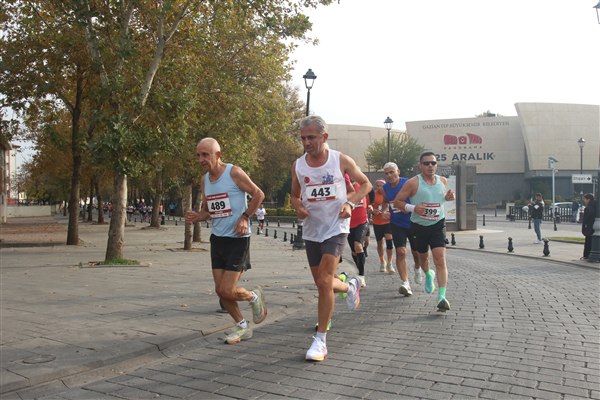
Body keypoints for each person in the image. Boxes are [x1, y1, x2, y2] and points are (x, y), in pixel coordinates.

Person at [291, 115, 371, 362]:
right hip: (312, 229)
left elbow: (365, 185)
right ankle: (349, 286)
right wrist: (298, 207)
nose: (306, 142)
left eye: (311, 137)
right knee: (322, 283)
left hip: (336, 227)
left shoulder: (340, 160)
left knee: (325, 281)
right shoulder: (298, 165)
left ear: (324, 137)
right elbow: (294, 195)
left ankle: (320, 340)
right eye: (303, 138)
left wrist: (349, 203)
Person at [185, 137, 267, 344]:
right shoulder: (205, 180)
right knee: (220, 291)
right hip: (218, 239)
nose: (201, 159)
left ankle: (253, 297)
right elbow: (209, 211)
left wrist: (245, 217)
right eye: (198, 155)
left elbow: (259, 194)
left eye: (205, 155)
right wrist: (198, 216)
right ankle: (242, 326)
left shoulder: (233, 173)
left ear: (218, 155)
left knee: (227, 290)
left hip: (238, 239)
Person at [393, 152, 455, 312]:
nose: (430, 166)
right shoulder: (413, 183)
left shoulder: (442, 181)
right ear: (420, 166)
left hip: (438, 224)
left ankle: (442, 297)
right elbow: (397, 202)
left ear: (436, 165)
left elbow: (441, 199)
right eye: (426, 163)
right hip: (419, 226)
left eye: (433, 163)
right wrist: (413, 208)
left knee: (440, 259)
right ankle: (428, 274)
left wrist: (448, 198)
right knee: (423, 258)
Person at [381, 162, 419, 296]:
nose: (389, 175)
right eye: (386, 173)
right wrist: (384, 211)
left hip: (413, 222)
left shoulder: (408, 183)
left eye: (392, 172)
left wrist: (407, 207)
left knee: (417, 253)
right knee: (401, 252)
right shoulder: (385, 188)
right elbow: (385, 201)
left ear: (398, 171)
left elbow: (418, 199)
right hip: (396, 223)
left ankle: (417, 267)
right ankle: (405, 283)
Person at [347, 176, 369, 287]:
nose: (351, 177)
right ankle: (358, 268)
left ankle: (361, 276)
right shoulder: (343, 188)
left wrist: (370, 204)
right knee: (354, 251)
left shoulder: (362, 185)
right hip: (348, 224)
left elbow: (371, 191)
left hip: (362, 222)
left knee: (358, 246)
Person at [369, 179, 393, 273]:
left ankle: (390, 263)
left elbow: (394, 206)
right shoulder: (373, 195)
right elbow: (368, 207)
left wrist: (391, 214)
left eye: (381, 186)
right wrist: (372, 211)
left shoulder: (389, 194)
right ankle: (382, 261)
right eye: (377, 186)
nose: (379, 187)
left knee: (389, 241)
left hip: (387, 222)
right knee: (380, 243)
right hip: (377, 222)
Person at [581, 193, 596, 260]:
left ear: (588, 199)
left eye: (585, 199)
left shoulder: (588, 208)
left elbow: (585, 220)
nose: (584, 201)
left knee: (588, 242)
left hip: (589, 228)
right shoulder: (596, 207)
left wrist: (584, 229)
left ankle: (587, 255)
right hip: (595, 227)